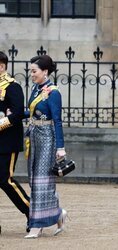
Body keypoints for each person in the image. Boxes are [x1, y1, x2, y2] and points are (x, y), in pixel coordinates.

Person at [24, 55, 67, 238]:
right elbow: (32, 112)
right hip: (34, 138)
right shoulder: (35, 89)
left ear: (45, 72)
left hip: (47, 139)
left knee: (42, 181)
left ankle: (37, 226)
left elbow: (57, 121)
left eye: (34, 71)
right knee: (34, 180)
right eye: (31, 71)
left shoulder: (54, 92)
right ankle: (58, 213)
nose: (31, 74)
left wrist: (60, 147)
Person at [0, 51, 30, 232]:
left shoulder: (12, 86)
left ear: (2, 66)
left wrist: (1, 123)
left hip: (6, 141)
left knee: (5, 180)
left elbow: (18, 113)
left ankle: (31, 210)